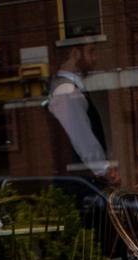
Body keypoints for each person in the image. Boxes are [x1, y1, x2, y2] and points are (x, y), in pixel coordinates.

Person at [47, 44, 119, 187]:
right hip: (79, 183)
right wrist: (104, 170)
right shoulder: (66, 90)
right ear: (75, 53)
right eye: (91, 51)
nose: (95, 58)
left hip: (81, 178)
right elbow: (80, 134)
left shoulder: (69, 87)